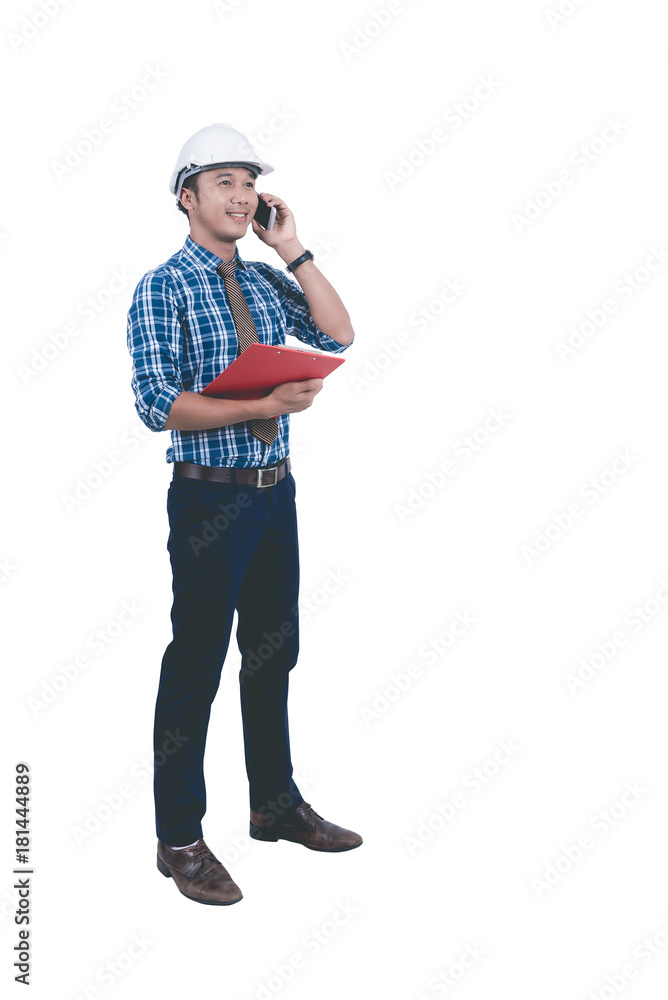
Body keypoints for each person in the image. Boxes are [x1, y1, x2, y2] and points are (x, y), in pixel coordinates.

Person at [126, 123, 362, 906]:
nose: (241, 195)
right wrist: (263, 401)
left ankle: (274, 803)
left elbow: (338, 333)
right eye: (223, 181)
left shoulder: (263, 279)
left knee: (272, 652)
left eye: (249, 183)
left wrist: (292, 248)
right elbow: (156, 403)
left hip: (274, 490)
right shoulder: (163, 286)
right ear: (186, 196)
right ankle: (180, 838)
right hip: (207, 498)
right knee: (195, 663)